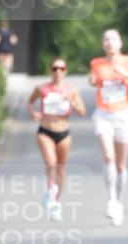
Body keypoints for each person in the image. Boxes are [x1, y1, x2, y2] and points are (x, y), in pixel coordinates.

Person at [89, 29, 128, 226]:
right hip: (103, 114)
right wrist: (92, 81)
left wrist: (127, 76)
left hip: (123, 115)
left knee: (121, 164)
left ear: (120, 42)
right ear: (102, 43)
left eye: (113, 39)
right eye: (105, 39)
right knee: (108, 156)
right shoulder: (97, 64)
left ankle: (119, 201)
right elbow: (94, 81)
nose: (109, 42)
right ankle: (111, 199)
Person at [28, 58, 86, 221]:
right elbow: (31, 102)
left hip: (64, 132)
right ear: (50, 70)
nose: (58, 72)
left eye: (61, 69)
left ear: (65, 71)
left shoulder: (71, 90)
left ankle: (57, 202)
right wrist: (33, 113)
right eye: (55, 68)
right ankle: (50, 190)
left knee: (61, 168)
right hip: (45, 130)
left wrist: (73, 103)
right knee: (50, 162)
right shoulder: (41, 88)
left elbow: (82, 111)